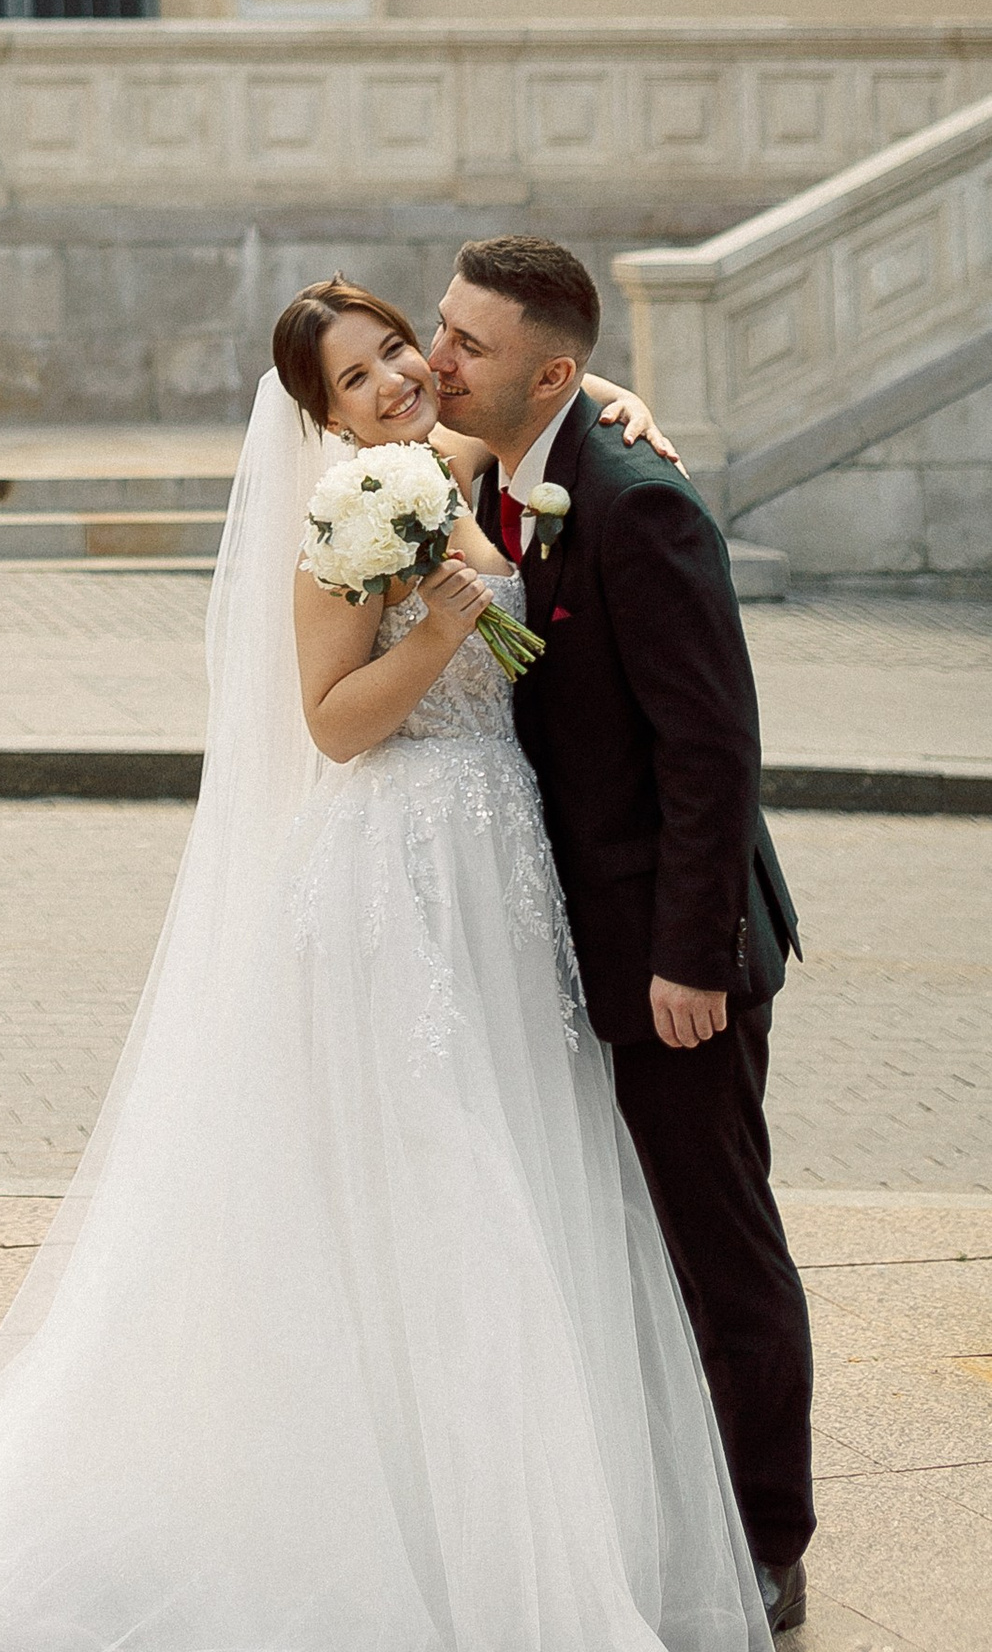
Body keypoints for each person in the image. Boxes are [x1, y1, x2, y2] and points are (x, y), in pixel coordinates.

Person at [0, 279, 768, 1649]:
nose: (399, 379)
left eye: (400, 349)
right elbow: (332, 725)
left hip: (502, 875)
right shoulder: (343, 520)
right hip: (401, 874)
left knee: (527, 1163)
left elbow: (545, 421)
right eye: (357, 379)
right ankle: (403, 1535)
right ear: (322, 416)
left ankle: (520, 1511)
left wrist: (617, 398)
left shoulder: (456, 464)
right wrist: (444, 632)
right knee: (436, 1178)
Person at [431, 233, 814, 1634]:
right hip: (574, 938)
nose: (439, 357)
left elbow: (713, 750)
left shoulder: (639, 504)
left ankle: (769, 1540)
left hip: (674, 957)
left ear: (548, 374)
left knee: (721, 1248)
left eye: (469, 343)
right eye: (442, 327)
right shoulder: (507, 463)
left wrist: (690, 959)